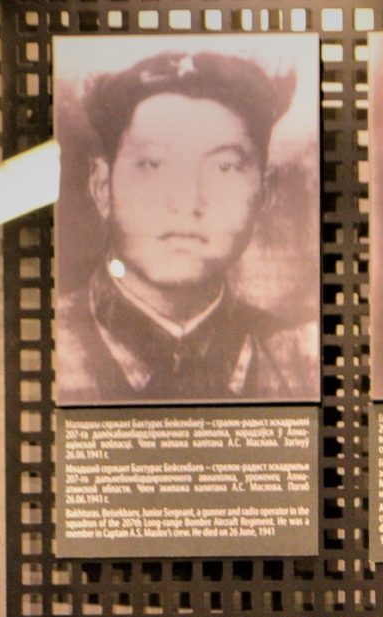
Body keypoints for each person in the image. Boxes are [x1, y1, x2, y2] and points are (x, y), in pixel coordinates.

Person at [55, 50, 315, 404]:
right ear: (102, 186)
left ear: (263, 194)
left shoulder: (301, 359)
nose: (187, 201)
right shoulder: (50, 342)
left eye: (224, 167)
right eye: (153, 164)